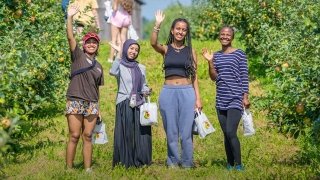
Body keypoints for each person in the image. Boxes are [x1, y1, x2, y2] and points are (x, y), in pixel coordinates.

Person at [150, 10, 202, 168]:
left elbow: (195, 77)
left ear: (186, 33)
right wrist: (157, 25)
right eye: (178, 28)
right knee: (171, 130)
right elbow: (153, 43)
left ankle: (187, 162)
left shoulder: (191, 51)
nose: (180, 31)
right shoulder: (165, 49)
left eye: (184, 29)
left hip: (187, 92)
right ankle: (172, 161)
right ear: (172, 30)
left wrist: (198, 98)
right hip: (168, 92)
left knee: (186, 132)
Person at [202, 26, 250, 171]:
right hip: (221, 99)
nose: (225, 36)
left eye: (228, 34)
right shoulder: (215, 55)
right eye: (222, 34)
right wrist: (210, 62)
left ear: (232, 37)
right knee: (225, 134)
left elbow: (244, 76)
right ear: (219, 36)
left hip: (235, 98)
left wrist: (245, 97)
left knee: (230, 132)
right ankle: (230, 164)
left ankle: (239, 164)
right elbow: (213, 77)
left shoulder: (239, 54)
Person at [65, 4, 104, 172]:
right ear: (84, 44)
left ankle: (88, 169)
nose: (91, 44)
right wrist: (70, 17)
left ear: (97, 46)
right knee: (74, 135)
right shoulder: (77, 56)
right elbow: (70, 37)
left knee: (88, 136)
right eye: (89, 42)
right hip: (75, 100)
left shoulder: (99, 66)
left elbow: (97, 88)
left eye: (94, 42)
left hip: (92, 104)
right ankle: (69, 168)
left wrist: (98, 107)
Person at [109, 39, 152, 168]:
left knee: (140, 132)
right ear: (126, 48)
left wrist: (147, 91)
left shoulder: (141, 67)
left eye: (136, 50)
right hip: (125, 102)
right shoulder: (120, 65)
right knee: (126, 132)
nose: (134, 51)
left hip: (139, 102)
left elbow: (143, 85)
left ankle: (140, 159)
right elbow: (112, 72)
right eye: (131, 48)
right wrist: (118, 55)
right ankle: (125, 161)